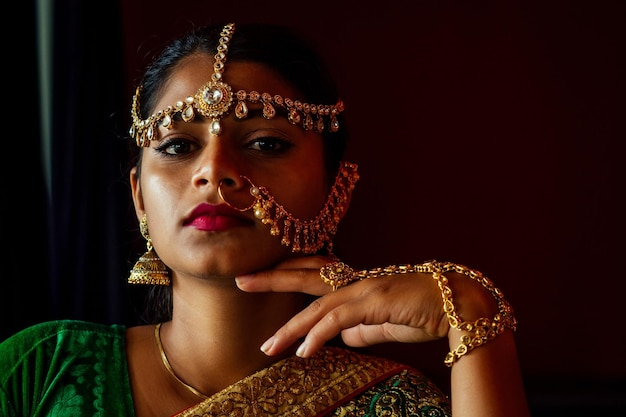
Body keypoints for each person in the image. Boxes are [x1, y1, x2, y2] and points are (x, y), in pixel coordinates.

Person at [0, 22, 530, 416]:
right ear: (139, 197)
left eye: (267, 143)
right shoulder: (42, 370)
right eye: (180, 146)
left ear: (336, 192)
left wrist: (474, 312)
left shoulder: (391, 407)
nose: (213, 172)